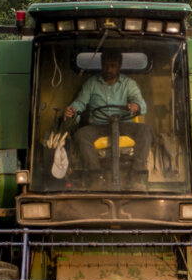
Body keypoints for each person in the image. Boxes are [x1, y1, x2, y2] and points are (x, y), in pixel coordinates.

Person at [65, 49, 152, 183]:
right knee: (81, 134)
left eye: (113, 65)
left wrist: (136, 106)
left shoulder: (129, 84)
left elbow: (140, 102)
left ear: (119, 65)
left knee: (145, 131)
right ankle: (95, 176)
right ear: (101, 64)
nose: (108, 69)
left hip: (124, 125)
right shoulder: (91, 84)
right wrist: (72, 110)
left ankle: (137, 175)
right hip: (99, 126)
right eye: (106, 65)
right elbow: (80, 103)